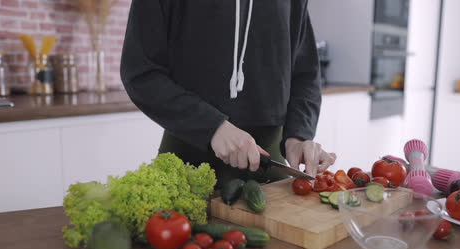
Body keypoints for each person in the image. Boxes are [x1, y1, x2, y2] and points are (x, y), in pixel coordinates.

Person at [120, 0, 336, 188]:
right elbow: (141, 72)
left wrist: (298, 137)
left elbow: (305, 73)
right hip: (187, 164)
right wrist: (212, 127)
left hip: (271, 167)